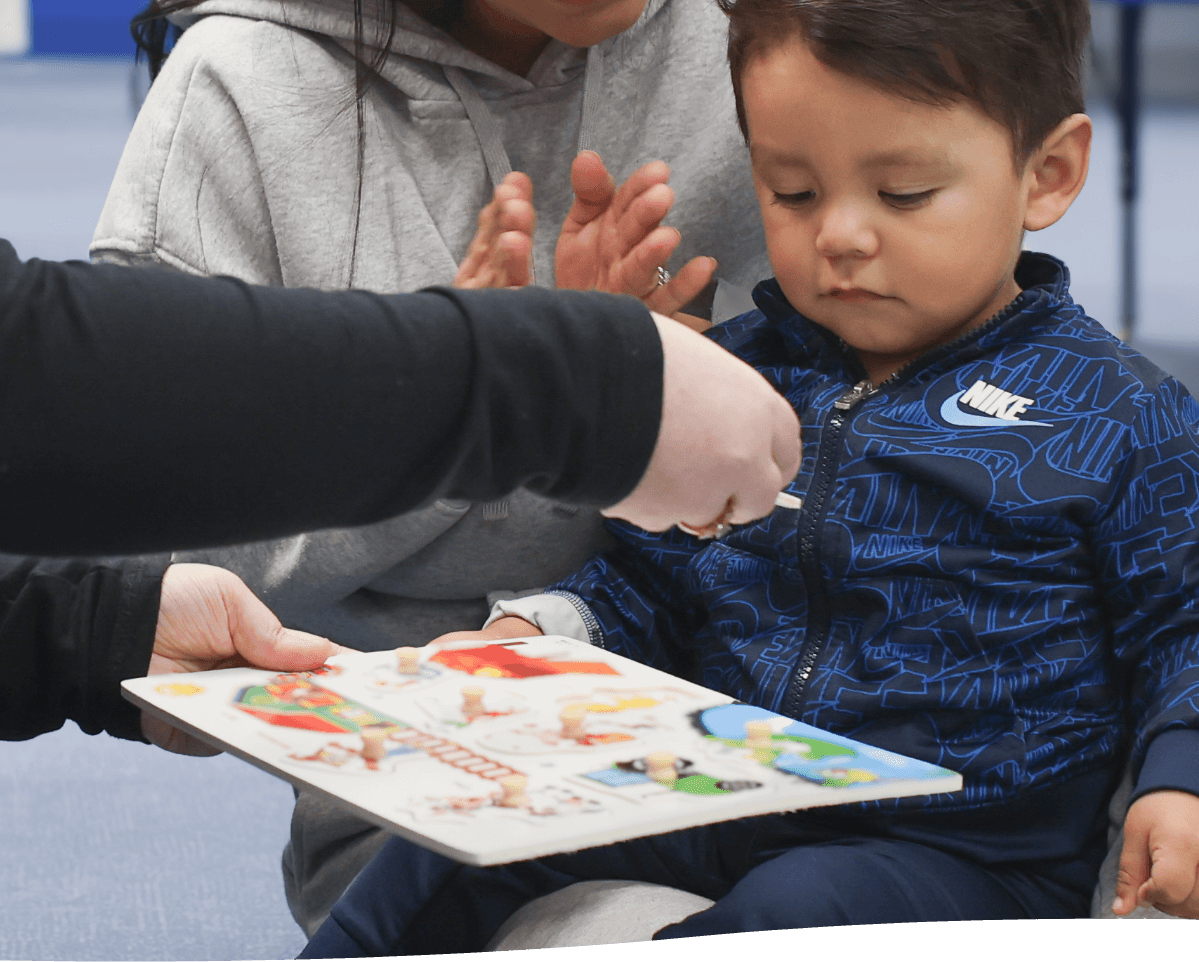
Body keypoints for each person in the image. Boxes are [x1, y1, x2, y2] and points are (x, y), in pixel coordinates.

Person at [0, 0, 799, 954]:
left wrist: (94, 629)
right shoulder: (244, 89)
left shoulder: (771, 51)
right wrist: (565, 388)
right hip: (469, 812)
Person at [300, 0, 1199, 950]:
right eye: (794, 191)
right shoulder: (732, 374)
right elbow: (652, 574)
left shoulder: (1116, 412)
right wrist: (545, 630)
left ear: (1047, 172)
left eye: (902, 193)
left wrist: (1196, 777)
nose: (841, 235)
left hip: (953, 847)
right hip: (721, 781)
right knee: (470, 829)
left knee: (799, 900)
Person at [98, 0, 771, 932]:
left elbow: (916, 426)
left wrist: (698, 391)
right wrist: (458, 412)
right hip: (446, 813)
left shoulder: (757, 48)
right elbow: (167, 570)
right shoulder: (242, 88)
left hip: (787, 746)